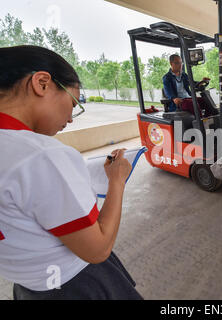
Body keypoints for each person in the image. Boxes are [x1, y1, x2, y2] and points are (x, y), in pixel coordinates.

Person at [0, 45, 143, 300]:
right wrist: (117, 181)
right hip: (77, 286)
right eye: (73, 102)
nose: (71, 118)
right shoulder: (42, 155)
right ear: (42, 83)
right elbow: (97, 249)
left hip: (28, 287)